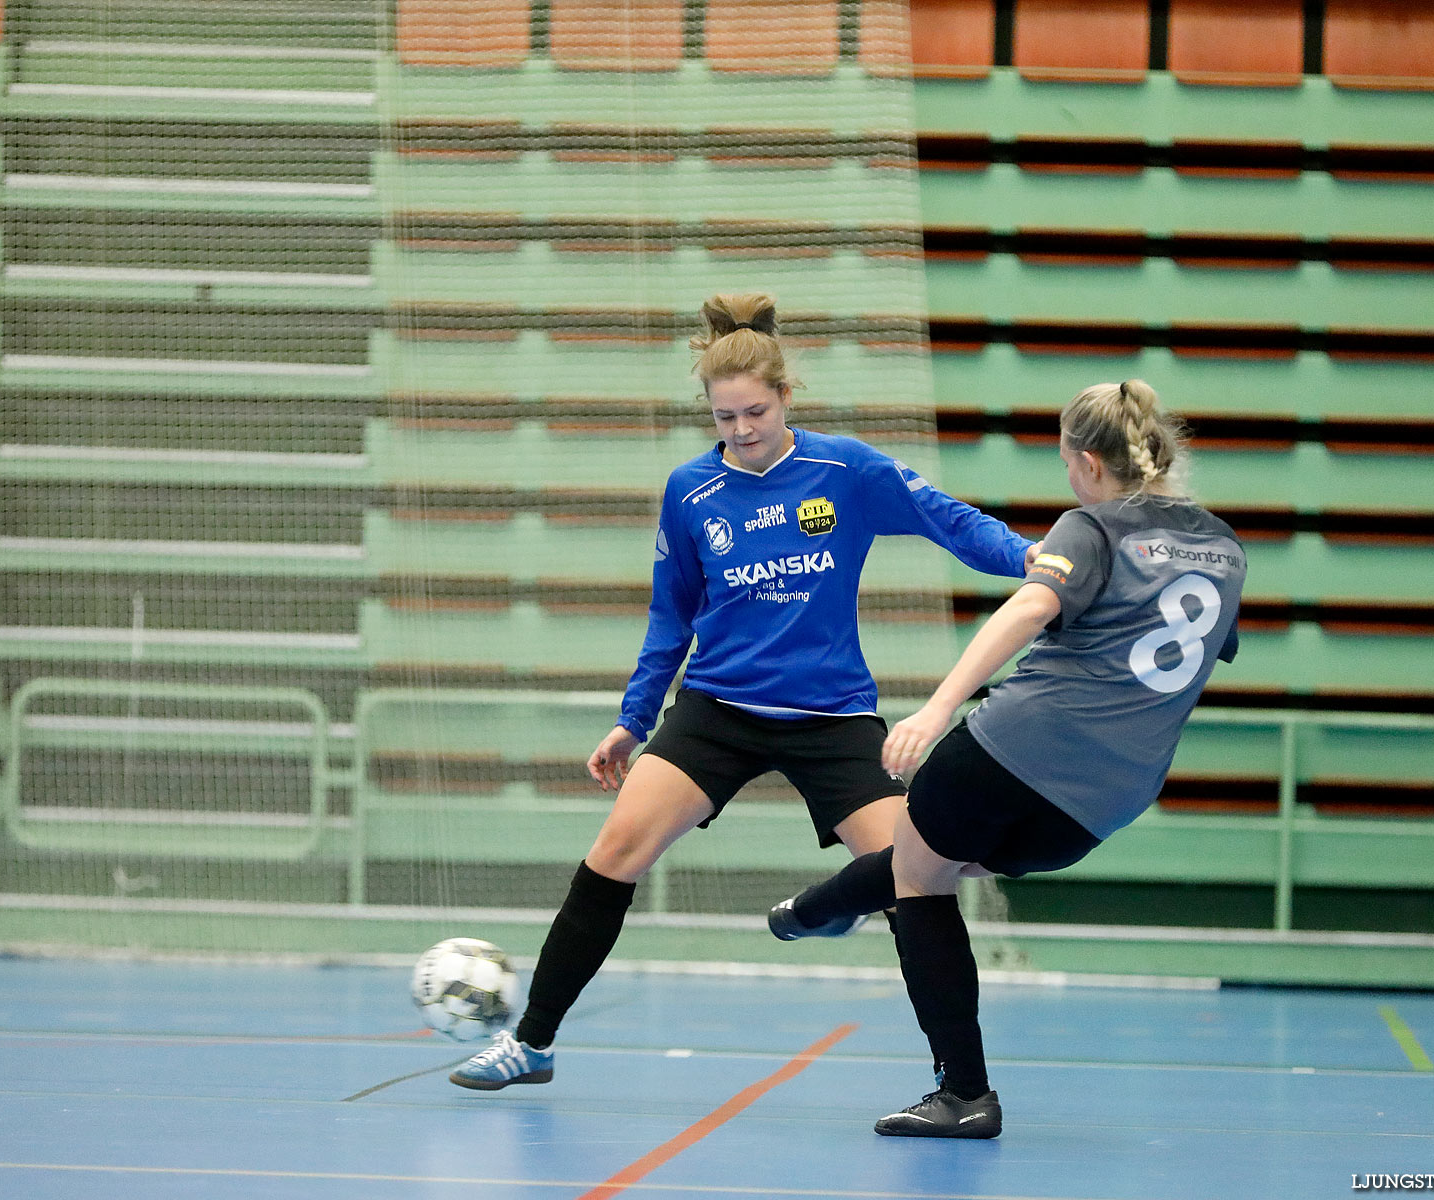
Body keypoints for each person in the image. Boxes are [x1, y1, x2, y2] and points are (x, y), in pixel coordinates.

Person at [450, 292, 1040, 1090]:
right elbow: (671, 618)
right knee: (615, 851)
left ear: (786, 397)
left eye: (754, 412)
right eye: (724, 418)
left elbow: (953, 523)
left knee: (914, 879)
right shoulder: (690, 492)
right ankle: (532, 1043)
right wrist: (633, 720)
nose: (741, 430)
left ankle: (960, 1085)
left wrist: (1041, 564)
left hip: (832, 717)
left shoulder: (846, 470)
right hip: (717, 711)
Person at [767, 379, 1245, 1139]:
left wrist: (937, 705)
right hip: (1103, 805)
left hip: (1016, 748)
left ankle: (963, 1091)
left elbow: (1030, 605)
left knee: (917, 880)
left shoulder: (1091, 527)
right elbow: (1206, 649)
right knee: (933, 859)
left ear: (1088, 462)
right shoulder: (1223, 547)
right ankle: (808, 914)